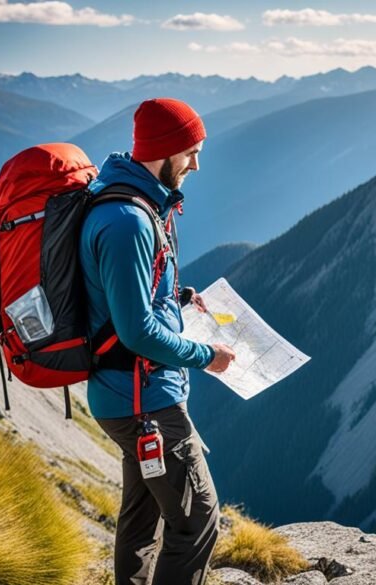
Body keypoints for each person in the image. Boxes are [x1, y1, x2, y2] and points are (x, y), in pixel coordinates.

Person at [79, 97, 236, 585]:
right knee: (197, 521)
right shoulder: (127, 221)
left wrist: (181, 300)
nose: (196, 163)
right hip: (143, 400)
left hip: (126, 393)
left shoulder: (137, 199)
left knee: (142, 517)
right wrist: (206, 355)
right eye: (190, 151)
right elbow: (136, 331)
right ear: (164, 151)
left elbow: (132, 300)